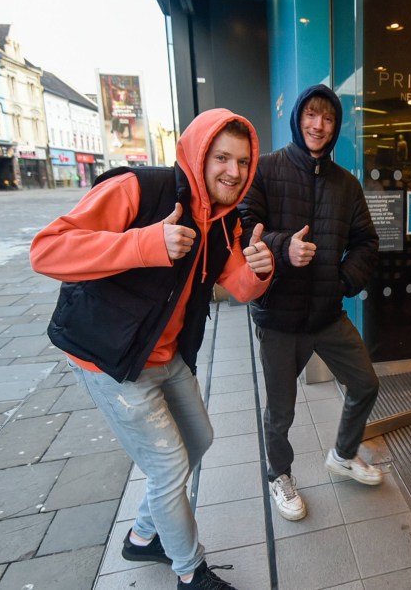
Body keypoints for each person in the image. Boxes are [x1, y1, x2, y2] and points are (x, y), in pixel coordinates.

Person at [31, 109, 274, 590]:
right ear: (198, 154)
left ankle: (144, 535)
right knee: (168, 466)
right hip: (111, 358)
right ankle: (190, 571)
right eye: (222, 157)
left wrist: (261, 270)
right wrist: (145, 243)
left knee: (198, 442)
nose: (234, 171)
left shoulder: (226, 223)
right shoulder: (138, 189)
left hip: (166, 355)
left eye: (243, 162)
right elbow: (47, 250)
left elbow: (240, 288)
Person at [238, 84, 381, 522]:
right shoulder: (265, 170)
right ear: (298, 118)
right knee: (280, 411)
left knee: (365, 384)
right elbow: (244, 227)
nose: (318, 125)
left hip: (326, 313)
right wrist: (284, 250)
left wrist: (341, 280)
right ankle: (279, 475)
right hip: (278, 317)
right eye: (311, 115)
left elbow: (366, 242)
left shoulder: (346, 184)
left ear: (335, 127)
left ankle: (342, 453)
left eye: (328, 118)